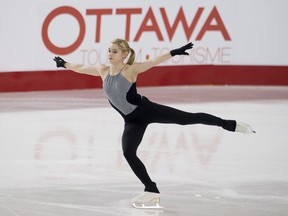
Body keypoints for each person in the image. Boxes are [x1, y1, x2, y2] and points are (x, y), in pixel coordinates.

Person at [53, 39, 255, 208]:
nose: (110, 53)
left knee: (187, 119)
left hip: (146, 110)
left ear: (124, 54)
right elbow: (80, 68)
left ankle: (228, 124)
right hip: (131, 120)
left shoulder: (130, 70)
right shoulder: (102, 70)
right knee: (128, 152)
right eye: (108, 50)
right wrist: (64, 64)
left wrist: (174, 52)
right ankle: (151, 189)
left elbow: (154, 61)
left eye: (114, 51)